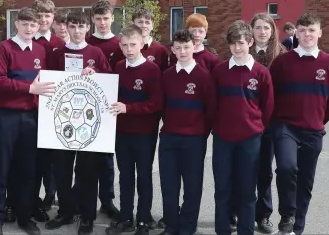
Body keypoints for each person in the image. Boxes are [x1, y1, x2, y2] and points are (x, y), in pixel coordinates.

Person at [269, 13, 329, 235]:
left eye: (311, 30)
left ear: (319, 32)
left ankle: (297, 227)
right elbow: (271, 95)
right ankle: (287, 215)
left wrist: (318, 120)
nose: (307, 34)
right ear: (295, 33)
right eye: (302, 30)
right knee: (286, 168)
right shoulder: (282, 62)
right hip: (285, 127)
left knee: (306, 180)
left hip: (313, 130)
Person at [0, 7, 55, 235]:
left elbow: (46, 80)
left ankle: (24, 217)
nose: (29, 28)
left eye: (33, 25)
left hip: (31, 117)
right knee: (1, 169)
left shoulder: (39, 49)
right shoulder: (3, 48)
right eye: (25, 24)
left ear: (38, 26)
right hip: (6, 117)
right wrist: (29, 88)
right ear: (17, 24)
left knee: (27, 170)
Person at [44, 11, 111, 235]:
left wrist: (96, 72)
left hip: (87, 123)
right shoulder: (57, 53)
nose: (76, 31)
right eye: (72, 26)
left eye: (81, 27)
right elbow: (49, 81)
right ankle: (65, 211)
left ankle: (87, 215)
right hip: (62, 121)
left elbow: (108, 82)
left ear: (87, 29)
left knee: (87, 172)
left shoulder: (96, 52)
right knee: (62, 171)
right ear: (67, 28)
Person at [211, 20, 274, 235]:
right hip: (223, 140)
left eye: (241, 43)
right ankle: (222, 230)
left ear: (250, 42)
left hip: (250, 140)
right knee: (222, 189)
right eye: (233, 44)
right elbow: (212, 104)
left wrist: (255, 127)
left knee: (247, 191)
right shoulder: (219, 71)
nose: (237, 48)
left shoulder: (261, 73)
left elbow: (267, 106)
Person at [105, 24, 163, 235]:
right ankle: (126, 217)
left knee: (144, 176)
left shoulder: (151, 70)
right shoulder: (119, 67)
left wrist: (129, 108)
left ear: (141, 45)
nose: (129, 49)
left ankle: (144, 219)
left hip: (144, 134)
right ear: (120, 45)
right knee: (125, 176)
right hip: (121, 133)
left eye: (133, 44)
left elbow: (156, 104)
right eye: (125, 45)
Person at [156, 29, 215, 235]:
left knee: (192, 187)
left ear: (195, 48)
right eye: (178, 47)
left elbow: (211, 110)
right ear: (172, 49)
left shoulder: (204, 76)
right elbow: (161, 106)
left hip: (194, 140)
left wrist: (200, 134)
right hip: (169, 139)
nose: (182, 51)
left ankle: (188, 226)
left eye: (186, 47)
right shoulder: (166, 75)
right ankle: (171, 225)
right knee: (169, 187)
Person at [249, 12, 288, 234]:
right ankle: (237, 210)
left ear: (273, 31)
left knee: (265, 171)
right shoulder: (243, 51)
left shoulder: (281, 56)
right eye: (258, 28)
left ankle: (263, 215)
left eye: (266, 27)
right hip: (246, 122)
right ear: (252, 31)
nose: (262, 32)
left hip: (271, 124)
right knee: (243, 169)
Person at [30, 0, 64, 220]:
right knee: (33, 158)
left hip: (53, 108)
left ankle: (51, 194)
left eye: (47, 15)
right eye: (39, 15)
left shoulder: (60, 44)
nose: (43, 19)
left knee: (52, 158)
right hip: (30, 108)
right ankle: (32, 198)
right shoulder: (26, 39)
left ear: (53, 18)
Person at [85, 0, 120, 219]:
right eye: (98, 19)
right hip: (87, 109)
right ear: (92, 20)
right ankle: (84, 200)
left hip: (112, 110)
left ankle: (107, 201)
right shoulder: (86, 42)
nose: (102, 22)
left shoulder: (120, 44)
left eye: (106, 18)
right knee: (87, 160)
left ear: (112, 18)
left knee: (107, 160)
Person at [109, 8, 169, 72]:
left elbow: (164, 77)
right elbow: (113, 74)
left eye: (147, 22)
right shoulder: (122, 49)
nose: (144, 25)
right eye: (140, 22)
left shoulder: (161, 50)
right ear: (133, 24)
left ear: (152, 25)